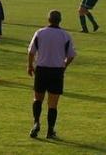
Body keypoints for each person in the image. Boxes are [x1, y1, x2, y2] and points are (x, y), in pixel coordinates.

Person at [27, 10, 77, 140]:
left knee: (37, 99)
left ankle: (36, 123)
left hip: (41, 70)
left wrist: (30, 65)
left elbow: (31, 52)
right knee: (53, 104)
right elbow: (71, 55)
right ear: (60, 20)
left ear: (48, 19)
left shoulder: (40, 33)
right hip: (56, 71)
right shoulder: (65, 35)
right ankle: (50, 131)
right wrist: (64, 65)